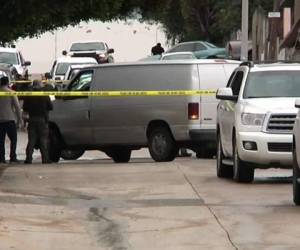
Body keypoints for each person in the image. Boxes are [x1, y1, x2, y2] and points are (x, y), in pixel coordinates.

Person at [23, 80, 53, 164]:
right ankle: (45, 159)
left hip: (32, 119)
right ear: (40, 86)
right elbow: (50, 107)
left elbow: (25, 108)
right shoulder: (44, 95)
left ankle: (28, 159)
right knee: (43, 140)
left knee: (31, 140)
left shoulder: (29, 95)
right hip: (42, 120)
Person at [0, 76, 23, 164]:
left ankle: (1, 158)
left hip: (0, 120)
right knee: (13, 139)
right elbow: (17, 107)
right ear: (8, 83)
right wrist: (20, 120)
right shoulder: (11, 92)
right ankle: (12, 156)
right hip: (10, 119)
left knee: (1, 140)